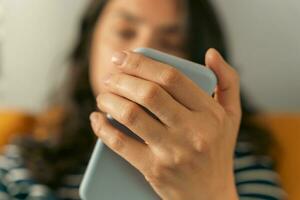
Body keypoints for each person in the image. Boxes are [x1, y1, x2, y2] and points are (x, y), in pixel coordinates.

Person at [0, 0, 287, 199]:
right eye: (125, 32)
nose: (142, 51)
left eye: (172, 43)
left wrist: (212, 192)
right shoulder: (26, 161)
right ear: (89, 46)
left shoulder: (238, 164)